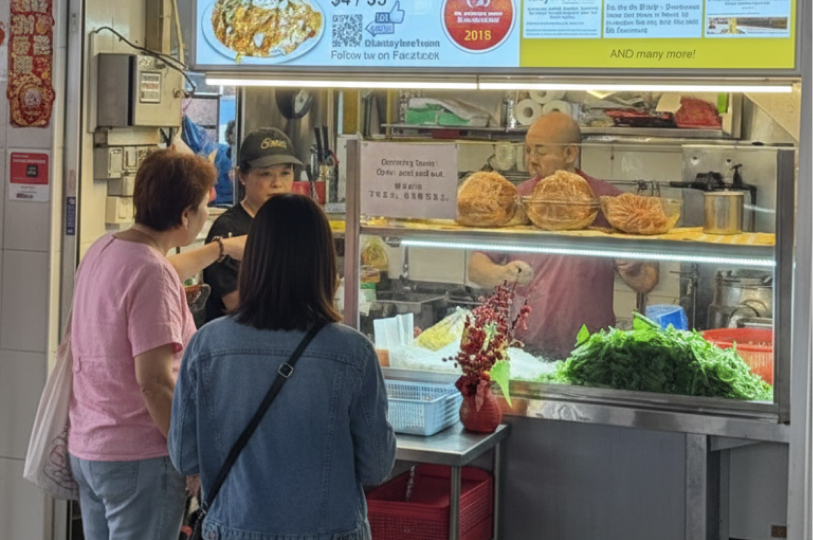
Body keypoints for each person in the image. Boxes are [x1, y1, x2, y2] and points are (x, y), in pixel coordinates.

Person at [169, 194, 396, 540]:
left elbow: (184, 457)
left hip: (233, 529)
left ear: (254, 258)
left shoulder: (207, 346)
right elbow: (377, 466)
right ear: (324, 262)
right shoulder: (354, 353)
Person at [67, 150, 245, 540]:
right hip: (140, 455)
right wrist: (191, 459)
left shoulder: (104, 249)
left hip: (91, 446)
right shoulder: (152, 273)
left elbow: (160, 268)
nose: (203, 216)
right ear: (185, 216)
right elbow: (155, 382)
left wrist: (221, 249)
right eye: (203, 208)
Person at [468, 112, 659, 359]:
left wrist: (632, 268)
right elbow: (475, 268)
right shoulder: (517, 200)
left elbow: (648, 281)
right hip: (523, 350)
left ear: (570, 153)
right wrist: (502, 274)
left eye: (540, 151)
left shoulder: (605, 201)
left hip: (591, 351)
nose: (531, 160)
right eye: (527, 151)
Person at [203, 127, 302, 323]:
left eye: (285, 173)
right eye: (266, 174)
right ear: (241, 175)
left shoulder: (296, 225)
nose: (277, 183)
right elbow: (237, 304)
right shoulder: (227, 230)